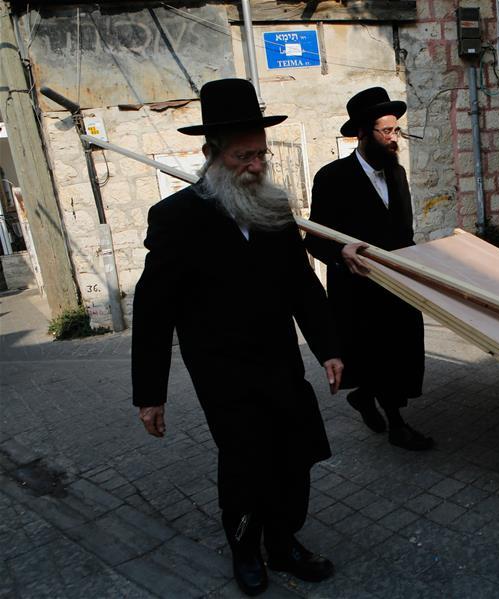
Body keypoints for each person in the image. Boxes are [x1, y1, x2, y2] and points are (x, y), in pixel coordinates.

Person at [131, 78, 342, 596]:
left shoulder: (272, 209)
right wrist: (150, 394)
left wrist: (329, 348)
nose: (255, 166)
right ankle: (245, 551)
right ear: (211, 154)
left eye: (260, 155)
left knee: (294, 454)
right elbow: (152, 312)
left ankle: (284, 542)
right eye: (242, 156)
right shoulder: (176, 219)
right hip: (223, 374)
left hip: (280, 364)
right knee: (247, 464)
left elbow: (303, 288)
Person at [305, 87, 433, 451]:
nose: (395, 139)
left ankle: (364, 398)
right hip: (358, 291)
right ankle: (397, 426)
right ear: (361, 133)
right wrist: (340, 253)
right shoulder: (332, 178)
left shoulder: (397, 174)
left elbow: (402, 231)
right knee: (378, 356)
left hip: (399, 285)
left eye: (397, 130)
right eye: (386, 131)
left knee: (401, 355)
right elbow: (313, 239)